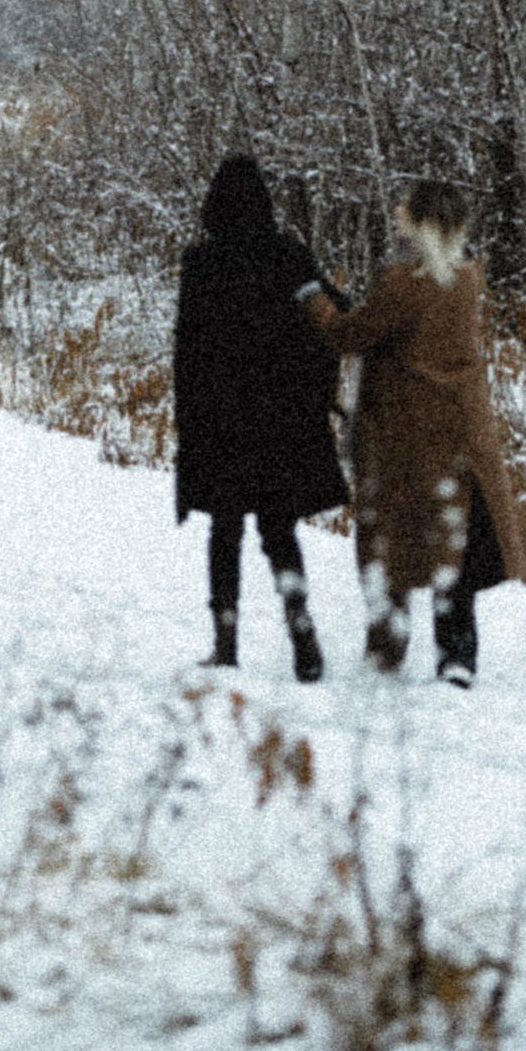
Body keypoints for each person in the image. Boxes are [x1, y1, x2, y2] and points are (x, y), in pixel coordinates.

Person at [298, 173, 526, 684]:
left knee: (391, 535)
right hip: (461, 429)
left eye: (404, 208)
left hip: (404, 434)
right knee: (456, 541)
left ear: (424, 222)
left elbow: (347, 335)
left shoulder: (401, 284)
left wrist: (313, 299)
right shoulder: (469, 278)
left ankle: (389, 644)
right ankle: (458, 657)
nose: (395, 212)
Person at [172, 153, 348, 680]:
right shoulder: (288, 254)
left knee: (225, 533)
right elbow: (331, 318)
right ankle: (301, 627)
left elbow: (188, 349)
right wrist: (317, 393)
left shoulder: (202, 262)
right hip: (279, 419)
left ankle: (225, 641)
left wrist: (187, 421)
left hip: (221, 421)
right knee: (279, 530)